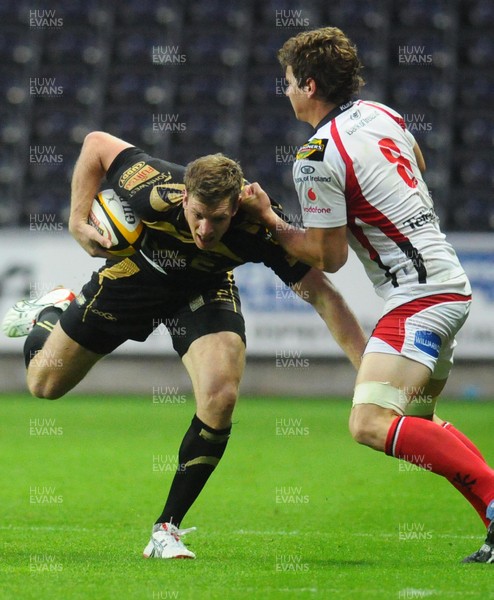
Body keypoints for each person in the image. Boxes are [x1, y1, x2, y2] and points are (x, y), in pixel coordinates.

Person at [2, 131, 367, 560]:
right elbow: (96, 144)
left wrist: (371, 374)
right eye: (198, 215)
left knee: (221, 396)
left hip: (204, 289)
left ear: (236, 208)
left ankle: (166, 529)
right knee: (44, 385)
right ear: (184, 198)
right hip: (136, 277)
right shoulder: (152, 188)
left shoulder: (257, 225)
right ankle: (51, 312)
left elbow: (324, 294)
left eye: (219, 219)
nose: (206, 229)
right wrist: (77, 218)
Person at [240, 26, 494, 563]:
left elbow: (327, 256)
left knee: (368, 423)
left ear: (309, 86)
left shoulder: (314, 156)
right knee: (417, 424)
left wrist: (269, 220)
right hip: (445, 284)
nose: (284, 91)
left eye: (287, 82)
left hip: (418, 295)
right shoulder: (381, 113)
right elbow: (417, 166)